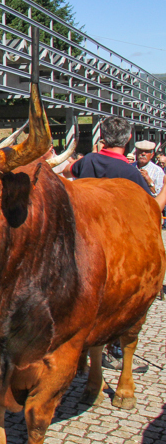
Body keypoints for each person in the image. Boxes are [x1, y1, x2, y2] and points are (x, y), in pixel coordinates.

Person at [63, 117, 166, 374]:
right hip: (118, 246)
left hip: (83, 240)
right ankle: (116, 352)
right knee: (120, 303)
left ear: (102, 139)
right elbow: (152, 209)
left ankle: (83, 352)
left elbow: (67, 172)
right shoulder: (130, 173)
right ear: (128, 139)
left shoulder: (87, 162)